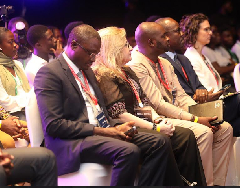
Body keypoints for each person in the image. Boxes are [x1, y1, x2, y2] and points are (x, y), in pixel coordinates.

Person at [34, 24, 183, 186]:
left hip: (99, 132)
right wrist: (104, 131)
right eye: (90, 53)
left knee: (159, 142)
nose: (93, 59)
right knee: (128, 151)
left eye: (96, 54)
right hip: (73, 142)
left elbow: (100, 113)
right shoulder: (50, 73)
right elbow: (53, 125)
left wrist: (118, 127)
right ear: (74, 45)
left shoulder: (87, 70)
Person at [163, 16, 240, 185]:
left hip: (207, 103)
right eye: (206, 29)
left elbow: (200, 86)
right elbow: (178, 95)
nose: (210, 32)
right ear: (194, 32)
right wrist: (201, 96)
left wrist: (206, 93)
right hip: (193, 109)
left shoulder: (185, 58)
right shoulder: (178, 58)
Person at [93, 26, 206, 186]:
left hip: (140, 121)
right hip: (124, 125)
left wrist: (158, 120)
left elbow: (143, 103)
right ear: (114, 49)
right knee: (161, 139)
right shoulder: (105, 75)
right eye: (126, 45)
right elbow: (120, 115)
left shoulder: (126, 71)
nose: (131, 48)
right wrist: (155, 128)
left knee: (185, 135)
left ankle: (194, 183)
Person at [128, 21, 234, 186]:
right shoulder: (137, 64)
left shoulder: (164, 62)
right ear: (151, 42)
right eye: (163, 36)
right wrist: (195, 119)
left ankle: (216, 183)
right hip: (157, 118)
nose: (168, 38)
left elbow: (182, 97)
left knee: (224, 128)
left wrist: (201, 112)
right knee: (204, 131)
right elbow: (158, 104)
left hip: (176, 113)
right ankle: (203, 183)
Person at [0, 27, 31, 121]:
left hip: (29, 111)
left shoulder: (18, 64)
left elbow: (28, 91)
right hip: (11, 118)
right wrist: (30, 99)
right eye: (11, 42)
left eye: (15, 42)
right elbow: (5, 102)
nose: (15, 45)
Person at [201, 24, 236, 92]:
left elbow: (233, 63)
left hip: (231, 78)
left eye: (218, 32)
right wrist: (232, 67)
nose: (218, 35)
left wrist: (230, 67)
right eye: (215, 32)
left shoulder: (220, 48)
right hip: (221, 84)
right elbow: (218, 70)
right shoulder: (206, 50)